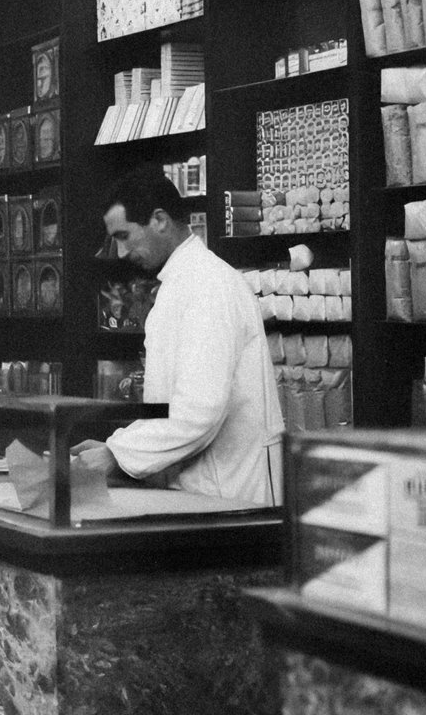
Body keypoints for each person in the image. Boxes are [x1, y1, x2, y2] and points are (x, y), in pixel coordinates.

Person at [73, 168, 284, 506]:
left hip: (227, 498)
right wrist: (118, 445)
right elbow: (171, 408)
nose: (122, 252)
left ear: (159, 219)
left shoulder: (206, 285)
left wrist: (117, 454)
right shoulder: (184, 281)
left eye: (125, 236)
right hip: (204, 493)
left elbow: (198, 413)